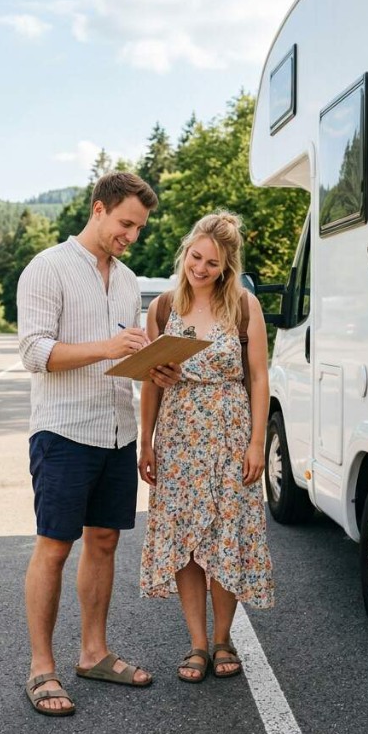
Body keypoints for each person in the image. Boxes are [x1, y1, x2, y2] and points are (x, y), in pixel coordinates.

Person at [17, 172, 180, 717]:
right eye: (125, 223)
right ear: (98, 209)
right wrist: (109, 346)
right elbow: (35, 353)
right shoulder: (48, 267)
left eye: (138, 227)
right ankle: (42, 668)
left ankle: (94, 653)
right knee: (55, 547)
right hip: (63, 430)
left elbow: (120, 356)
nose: (131, 235)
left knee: (105, 541)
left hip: (117, 430)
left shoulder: (130, 281)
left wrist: (150, 369)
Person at [138, 210, 274, 682]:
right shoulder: (161, 308)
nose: (200, 268)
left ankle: (222, 639)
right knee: (186, 544)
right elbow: (152, 381)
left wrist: (258, 442)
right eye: (196, 257)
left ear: (226, 267)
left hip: (231, 433)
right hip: (177, 436)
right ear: (186, 252)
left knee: (225, 538)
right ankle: (196, 644)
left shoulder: (243, 306)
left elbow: (259, 378)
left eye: (212, 264)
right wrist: (146, 441)